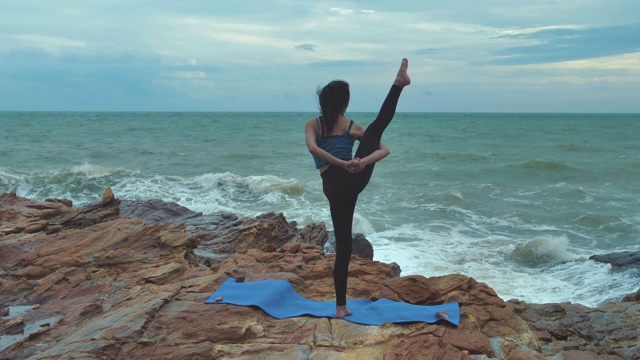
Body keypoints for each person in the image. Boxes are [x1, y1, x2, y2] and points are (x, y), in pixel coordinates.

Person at [305, 58, 411, 318]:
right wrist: (352, 163)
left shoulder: (312, 125)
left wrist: (357, 162)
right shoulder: (350, 127)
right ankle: (398, 85)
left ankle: (341, 307)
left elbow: (314, 149)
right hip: (351, 181)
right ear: (345, 103)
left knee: (343, 245)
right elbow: (383, 149)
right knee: (376, 128)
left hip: (334, 185)